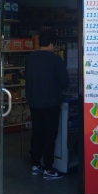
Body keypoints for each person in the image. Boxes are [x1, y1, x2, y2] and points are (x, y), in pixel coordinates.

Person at [25, 30, 69, 180]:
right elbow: (64, 82)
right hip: (51, 103)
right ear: (51, 44)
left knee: (37, 133)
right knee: (49, 135)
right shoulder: (56, 59)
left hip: (34, 102)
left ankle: (35, 164)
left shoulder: (30, 58)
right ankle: (48, 168)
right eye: (55, 45)